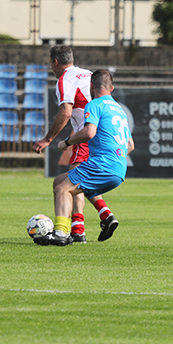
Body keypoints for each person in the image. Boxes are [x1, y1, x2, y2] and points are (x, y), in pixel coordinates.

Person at [35, 69, 134, 246]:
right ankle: (103, 217)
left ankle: (60, 233)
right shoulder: (120, 111)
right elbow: (131, 146)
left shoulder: (95, 104)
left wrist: (66, 142)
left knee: (63, 189)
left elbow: (89, 132)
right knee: (59, 182)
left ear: (91, 86)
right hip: (119, 170)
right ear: (111, 89)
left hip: (103, 165)